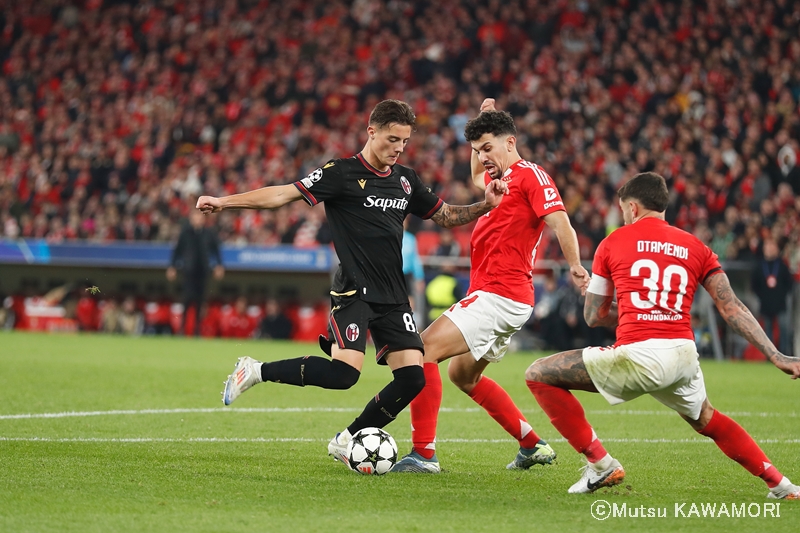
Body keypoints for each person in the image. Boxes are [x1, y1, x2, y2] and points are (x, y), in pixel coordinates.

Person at [197, 99, 508, 465]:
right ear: (371, 132)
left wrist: (483, 205)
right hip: (354, 290)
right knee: (344, 374)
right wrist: (224, 202)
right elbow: (283, 193)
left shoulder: (405, 180)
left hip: (393, 295)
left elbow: (444, 215)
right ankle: (255, 370)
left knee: (412, 379)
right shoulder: (341, 173)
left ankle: (346, 438)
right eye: (393, 139)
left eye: (405, 142)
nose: (398, 148)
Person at [525, 172, 800, 498]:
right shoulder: (695, 246)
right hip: (683, 354)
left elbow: (593, 316)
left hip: (640, 354)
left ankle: (601, 464)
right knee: (708, 420)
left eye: (624, 210)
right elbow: (732, 308)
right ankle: (782, 486)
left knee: (538, 374)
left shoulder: (612, 242)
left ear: (632, 207)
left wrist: (599, 298)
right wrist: (775, 354)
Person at [392, 99, 590, 473]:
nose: (481, 156)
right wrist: (482, 123)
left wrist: (577, 266)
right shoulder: (499, 182)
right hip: (501, 296)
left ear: (510, 143)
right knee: (462, 375)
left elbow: (560, 222)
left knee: (422, 350)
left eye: (487, 148)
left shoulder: (532, 176)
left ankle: (424, 455)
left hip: (501, 293)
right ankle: (532, 445)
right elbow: (475, 179)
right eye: (476, 150)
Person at [167, 208, 224, 336]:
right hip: (188, 271)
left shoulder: (209, 233)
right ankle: (182, 329)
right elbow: (177, 250)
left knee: (200, 301)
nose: (198, 219)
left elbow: (216, 250)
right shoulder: (185, 232)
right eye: (195, 217)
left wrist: (219, 266)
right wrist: (172, 267)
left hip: (203, 271)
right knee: (187, 300)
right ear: (191, 218)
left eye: (200, 217)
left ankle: (197, 330)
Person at [751, 238, 794, 355]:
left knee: (784, 328)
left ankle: (784, 353)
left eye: (772, 246)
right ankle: (770, 355)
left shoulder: (782, 265)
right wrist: (761, 296)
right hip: (765, 303)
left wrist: (782, 295)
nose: (769, 249)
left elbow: (789, 284)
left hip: (780, 302)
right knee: (767, 330)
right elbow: (754, 285)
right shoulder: (759, 266)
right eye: (767, 247)